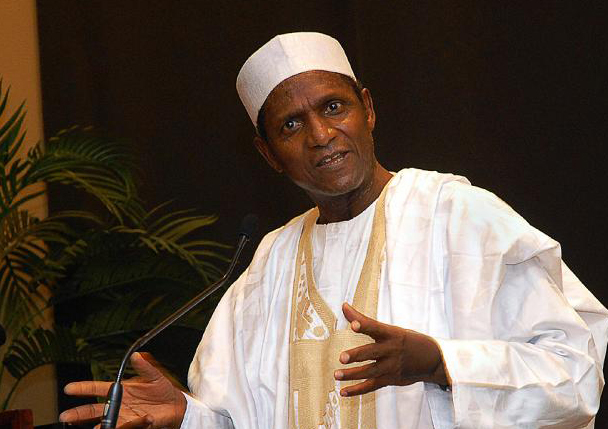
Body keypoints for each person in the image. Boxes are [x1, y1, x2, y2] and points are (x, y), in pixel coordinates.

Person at [59, 32, 608, 429]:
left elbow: (575, 373)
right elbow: (236, 419)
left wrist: (442, 364)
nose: (321, 135)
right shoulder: (270, 263)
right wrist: (186, 416)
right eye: (291, 125)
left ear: (367, 110)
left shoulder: (460, 216)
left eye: (334, 107)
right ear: (267, 153)